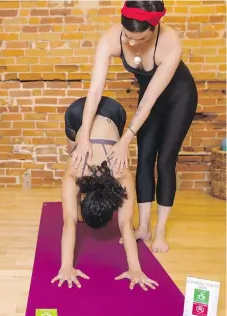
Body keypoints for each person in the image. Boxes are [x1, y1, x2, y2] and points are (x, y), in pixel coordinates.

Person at [71, 1, 198, 253]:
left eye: (137, 38)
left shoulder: (170, 41)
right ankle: (144, 227)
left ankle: (160, 231)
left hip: (179, 98)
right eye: (126, 35)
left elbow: (150, 99)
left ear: (153, 28)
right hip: (148, 100)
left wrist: (124, 140)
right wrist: (83, 136)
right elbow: (95, 91)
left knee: (165, 161)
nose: (129, 42)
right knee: (144, 158)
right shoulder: (111, 39)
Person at [52, 96, 158, 291]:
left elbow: (69, 222)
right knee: (72, 150)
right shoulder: (93, 172)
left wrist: (66, 266)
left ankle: (74, 199)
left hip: (111, 111)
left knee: (73, 151)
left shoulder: (115, 175)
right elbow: (125, 224)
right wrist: (134, 268)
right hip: (88, 112)